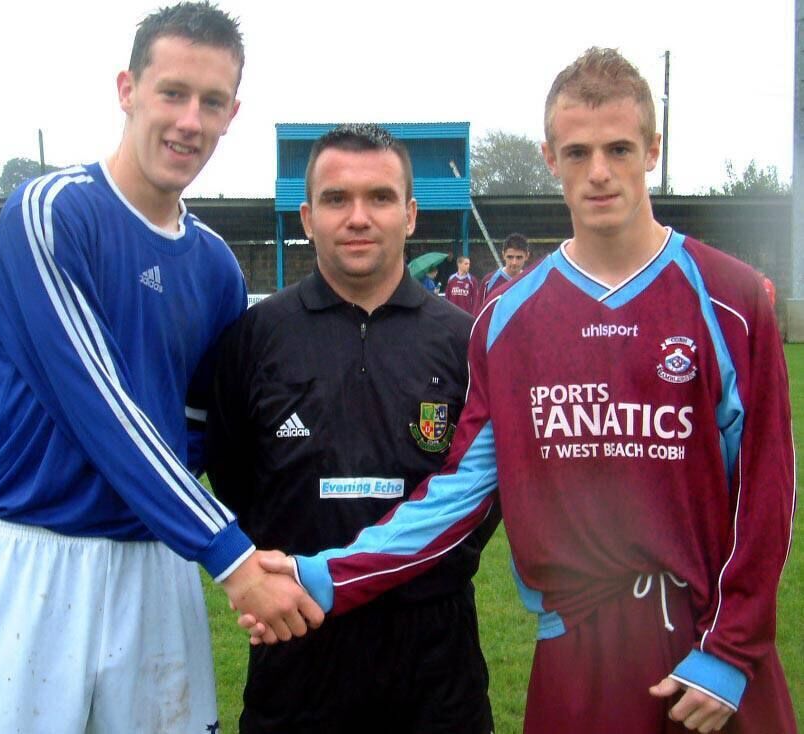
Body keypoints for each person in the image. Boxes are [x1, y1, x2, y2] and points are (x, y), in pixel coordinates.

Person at [261, 48, 797, 733]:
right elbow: (457, 493)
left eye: (619, 148)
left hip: (708, 648)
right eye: (577, 152)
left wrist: (732, 646)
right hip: (576, 650)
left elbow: (767, 492)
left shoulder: (729, 298)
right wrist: (325, 574)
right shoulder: (509, 322)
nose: (599, 172)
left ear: (652, 149)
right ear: (549, 157)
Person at [0, 5, 322, 733]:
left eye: (211, 101)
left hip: (154, 567)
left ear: (234, 112)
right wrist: (232, 557)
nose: (189, 121)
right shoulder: (50, 214)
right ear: (126, 89)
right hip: (31, 567)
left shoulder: (215, 269)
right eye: (172, 92)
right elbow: (99, 404)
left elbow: (197, 436)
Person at [207, 124, 498, 733]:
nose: (358, 217)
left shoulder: (465, 341)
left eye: (380, 198)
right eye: (337, 200)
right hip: (298, 639)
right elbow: (229, 469)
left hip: (434, 653)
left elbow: (485, 492)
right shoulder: (256, 337)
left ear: (411, 215)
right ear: (308, 217)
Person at [479, 233, 529, 306]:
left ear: (527, 256)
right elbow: (479, 314)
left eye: (519, 257)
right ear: (503, 255)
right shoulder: (489, 282)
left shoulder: (531, 281)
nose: (514, 262)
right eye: (510, 257)